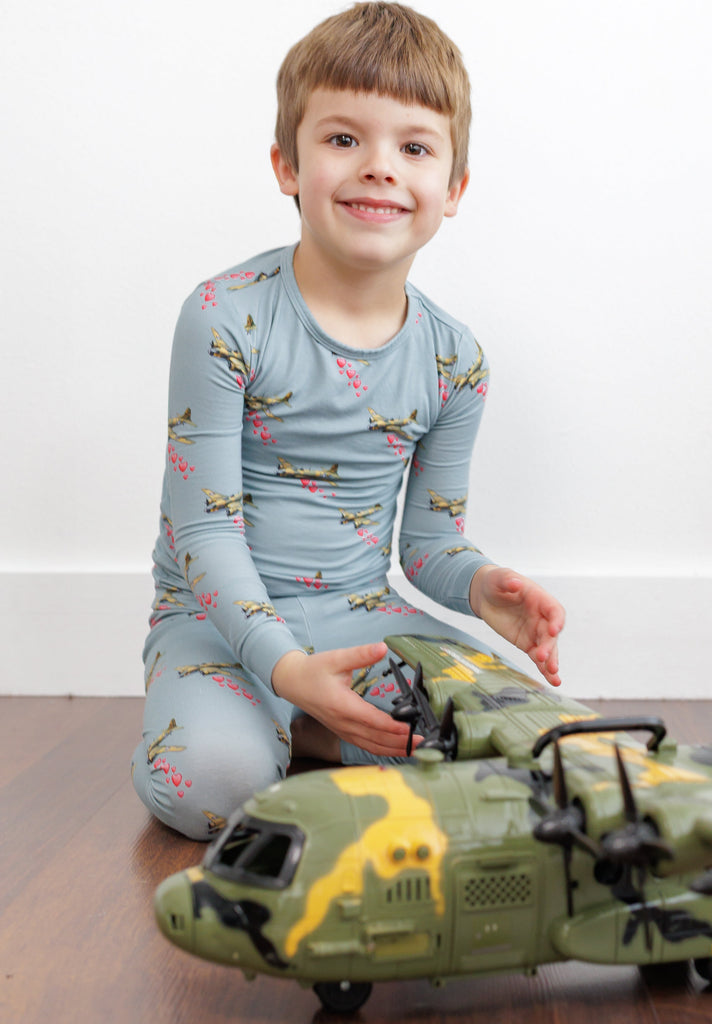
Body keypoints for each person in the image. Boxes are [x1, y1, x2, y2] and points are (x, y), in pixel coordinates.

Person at [131, 1, 564, 841]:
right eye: (342, 140)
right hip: (216, 619)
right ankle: (273, 722)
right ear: (287, 165)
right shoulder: (223, 317)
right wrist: (287, 668)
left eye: (414, 147)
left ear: (455, 187)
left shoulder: (455, 359)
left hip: (363, 615)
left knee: (537, 750)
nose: (379, 168)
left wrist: (483, 591)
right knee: (212, 787)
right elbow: (204, 535)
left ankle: (314, 732)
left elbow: (429, 545)